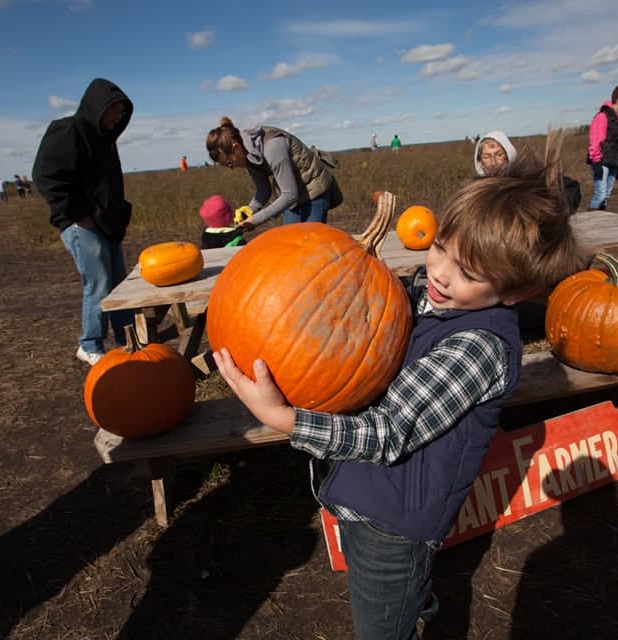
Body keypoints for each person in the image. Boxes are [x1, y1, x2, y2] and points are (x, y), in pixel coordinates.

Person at [212, 132, 586, 639]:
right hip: (372, 496)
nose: (441, 274)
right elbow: (375, 316)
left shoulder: (478, 348)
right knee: (390, 583)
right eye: (440, 247)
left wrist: (284, 419)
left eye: (468, 272)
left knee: (381, 621)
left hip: (396, 525)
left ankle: (406, 603)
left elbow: (386, 433)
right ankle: (416, 594)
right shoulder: (438, 296)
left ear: (516, 291)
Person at [32, 77, 135, 366]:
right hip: (83, 225)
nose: (118, 117)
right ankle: (89, 344)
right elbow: (45, 176)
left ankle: (129, 340)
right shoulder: (68, 132)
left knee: (119, 286)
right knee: (99, 283)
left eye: (121, 111)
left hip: (107, 225)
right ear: (96, 106)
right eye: (113, 110)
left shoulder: (105, 140)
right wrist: (79, 214)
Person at [205, 117, 342, 229]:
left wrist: (256, 220)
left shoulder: (272, 147)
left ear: (236, 148)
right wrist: (250, 211)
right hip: (293, 196)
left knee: (311, 240)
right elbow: (263, 189)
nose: (231, 168)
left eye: (229, 163)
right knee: (289, 241)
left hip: (314, 189)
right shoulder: (247, 155)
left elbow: (289, 195)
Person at [587, 83, 618, 210]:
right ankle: (590, 221)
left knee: (606, 196)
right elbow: (595, 141)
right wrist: (596, 162)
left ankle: (601, 221)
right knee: (600, 195)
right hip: (601, 161)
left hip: (614, 161)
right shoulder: (602, 117)